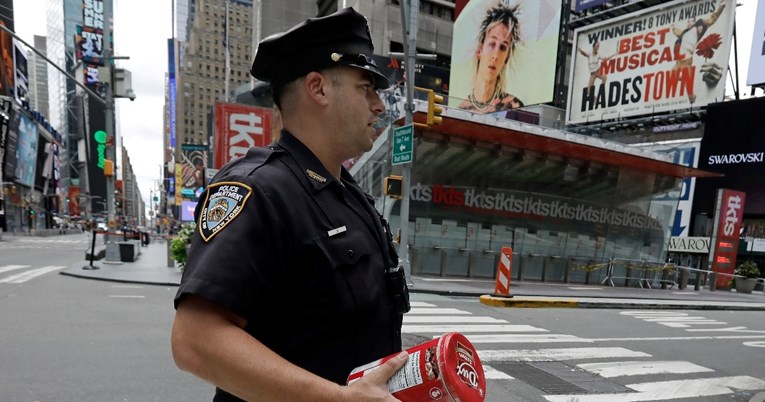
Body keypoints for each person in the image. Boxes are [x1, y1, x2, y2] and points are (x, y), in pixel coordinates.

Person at [171, 7, 410, 402]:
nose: (379, 105)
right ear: (318, 88)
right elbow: (195, 340)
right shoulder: (260, 189)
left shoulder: (349, 195)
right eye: (365, 88)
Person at [457, 1, 523, 114]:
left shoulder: (513, 106)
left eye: (502, 47)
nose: (495, 56)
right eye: (492, 44)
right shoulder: (461, 110)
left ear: (506, 60)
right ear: (480, 50)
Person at [672, 0, 726, 103]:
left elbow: (711, 19)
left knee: (688, 84)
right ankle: (683, 79)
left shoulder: (698, 26)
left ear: (694, 22)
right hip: (679, 60)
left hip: (687, 59)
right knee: (671, 77)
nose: (689, 23)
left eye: (691, 21)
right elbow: (678, 32)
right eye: (688, 21)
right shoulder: (684, 32)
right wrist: (673, 28)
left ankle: (692, 98)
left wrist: (720, 8)